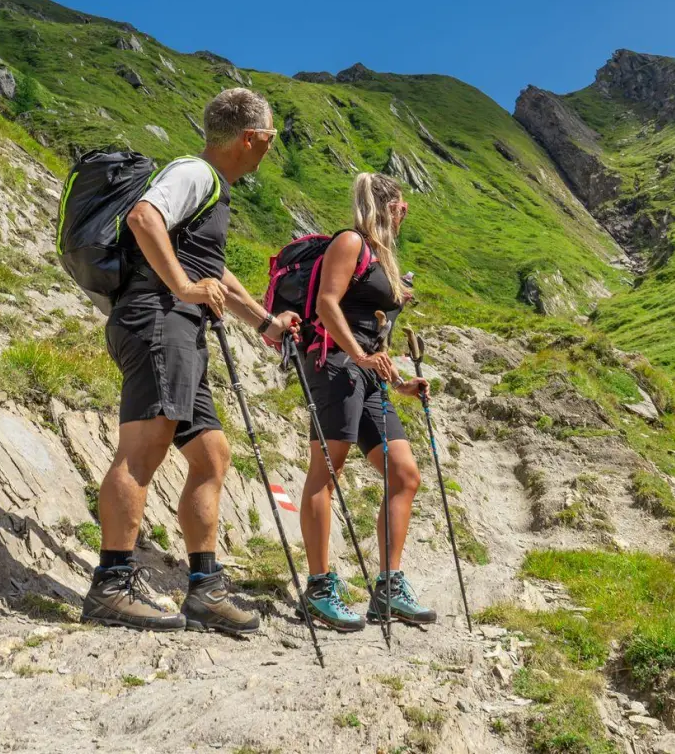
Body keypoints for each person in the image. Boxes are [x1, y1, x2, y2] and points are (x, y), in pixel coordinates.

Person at [83, 88, 300, 635]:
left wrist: (266, 324)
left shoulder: (212, 189)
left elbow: (214, 271)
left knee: (211, 454)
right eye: (270, 139)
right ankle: (111, 586)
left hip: (177, 328)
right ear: (250, 137)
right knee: (143, 449)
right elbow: (143, 217)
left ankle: (204, 590)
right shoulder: (194, 173)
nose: (271, 149)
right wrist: (182, 285)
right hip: (158, 321)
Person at [296, 172, 434, 631]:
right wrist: (357, 355)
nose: (406, 212)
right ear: (385, 204)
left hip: (368, 376)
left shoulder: (381, 256)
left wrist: (397, 383)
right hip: (335, 367)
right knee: (326, 472)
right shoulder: (351, 243)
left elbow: (373, 332)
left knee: (405, 474)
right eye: (401, 204)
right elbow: (326, 305)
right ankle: (319, 587)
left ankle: (388, 587)